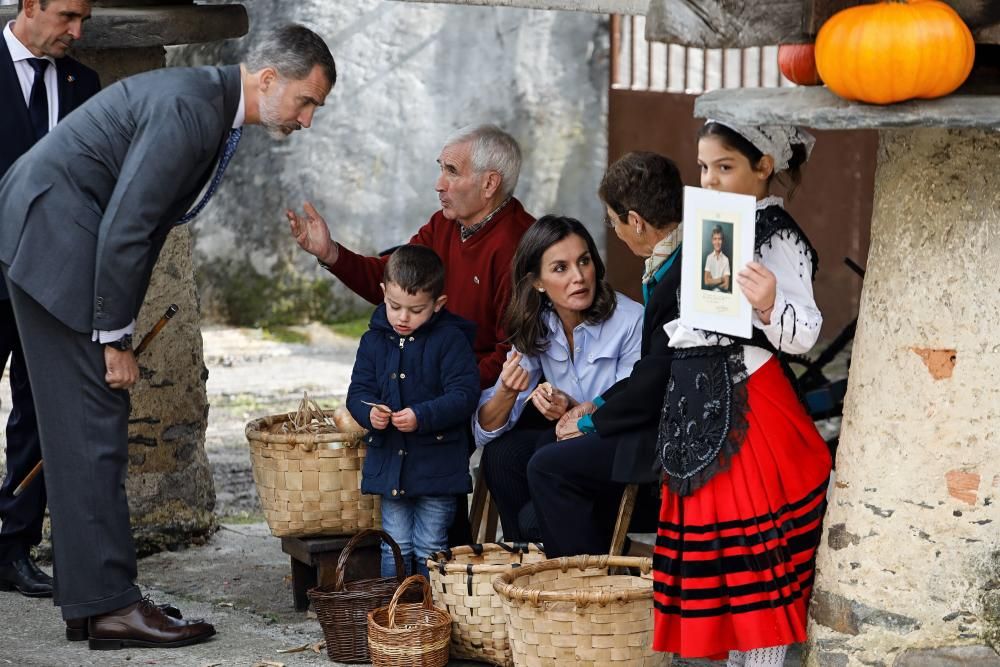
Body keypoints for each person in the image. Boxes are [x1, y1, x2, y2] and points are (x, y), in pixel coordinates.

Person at [0, 24, 336, 649]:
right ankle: (110, 609)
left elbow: (144, 223)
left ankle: (91, 603)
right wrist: (114, 335)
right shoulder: (192, 109)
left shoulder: (206, 102)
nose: (307, 119)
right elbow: (129, 224)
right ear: (270, 80)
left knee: (80, 431)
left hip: (48, 230)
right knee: (95, 426)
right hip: (57, 237)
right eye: (307, 101)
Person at [288, 124, 534, 545]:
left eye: (452, 172)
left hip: (490, 386)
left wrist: (444, 389)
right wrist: (330, 253)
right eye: (441, 169)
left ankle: (439, 560)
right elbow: (395, 281)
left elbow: (514, 352)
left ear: (489, 183)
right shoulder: (444, 226)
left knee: (429, 432)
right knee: (379, 410)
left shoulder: (517, 242)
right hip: (434, 373)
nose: (439, 184)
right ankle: (412, 563)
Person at [651, 122, 832, 665]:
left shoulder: (776, 234)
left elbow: (804, 333)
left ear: (764, 165)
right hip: (693, 408)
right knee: (724, 566)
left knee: (755, 561)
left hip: (747, 409)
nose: (711, 178)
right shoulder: (709, 226)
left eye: (725, 167)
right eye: (704, 168)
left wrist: (772, 302)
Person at [522, 153, 685, 558]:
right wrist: (594, 405)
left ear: (636, 222)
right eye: (559, 268)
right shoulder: (669, 266)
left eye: (612, 221)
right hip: (639, 417)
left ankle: (587, 585)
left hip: (666, 433)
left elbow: (655, 381)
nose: (578, 276)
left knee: (546, 466)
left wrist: (592, 419)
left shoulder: (674, 277)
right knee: (525, 461)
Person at [0, 0, 99, 601]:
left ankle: (12, 547)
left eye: (83, 18)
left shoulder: (83, 82)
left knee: (38, 416)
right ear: (29, 4)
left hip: (52, 281)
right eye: (67, 15)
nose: (78, 31)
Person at [474, 215, 643, 541]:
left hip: (618, 456)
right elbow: (485, 431)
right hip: (569, 452)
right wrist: (507, 391)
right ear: (537, 282)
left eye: (584, 261)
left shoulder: (630, 320)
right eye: (560, 268)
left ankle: (568, 566)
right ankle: (522, 565)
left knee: (534, 517)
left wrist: (575, 407)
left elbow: (633, 407)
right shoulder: (540, 323)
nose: (579, 277)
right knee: (501, 456)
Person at [346, 245, 480, 580]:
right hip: (391, 464)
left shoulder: (450, 340)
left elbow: (464, 396)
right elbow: (358, 392)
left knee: (429, 545)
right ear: (383, 294)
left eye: (416, 310)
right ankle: (396, 615)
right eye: (394, 307)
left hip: (438, 468)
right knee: (394, 544)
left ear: (439, 304)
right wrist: (369, 414)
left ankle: (430, 616)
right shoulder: (373, 341)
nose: (403, 318)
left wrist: (422, 415)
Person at [703, 224, 731, 292]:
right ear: (712, 241)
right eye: (715, 239)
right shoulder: (709, 258)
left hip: (722, 293)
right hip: (711, 293)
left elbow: (726, 285)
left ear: (722, 241)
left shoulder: (726, 259)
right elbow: (706, 281)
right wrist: (721, 279)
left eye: (719, 239)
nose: (717, 242)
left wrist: (712, 281)